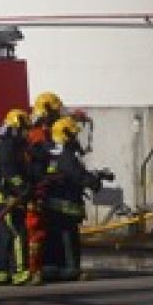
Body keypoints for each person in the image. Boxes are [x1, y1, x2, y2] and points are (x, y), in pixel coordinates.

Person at [43, 116, 102, 282]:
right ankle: (71, 269)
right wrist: (95, 182)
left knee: (54, 239)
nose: (76, 139)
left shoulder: (50, 151)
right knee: (68, 238)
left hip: (52, 206)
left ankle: (54, 269)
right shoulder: (67, 156)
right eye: (74, 135)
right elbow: (79, 176)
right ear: (66, 135)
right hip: (66, 207)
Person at [0, 109, 32, 286]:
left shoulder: (7, 144)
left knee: (3, 235)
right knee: (16, 233)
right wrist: (22, 188)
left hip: (3, 196)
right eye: (23, 129)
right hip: (4, 198)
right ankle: (20, 272)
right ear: (15, 128)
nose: (25, 133)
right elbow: (10, 172)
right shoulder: (7, 146)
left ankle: (0, 273)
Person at [25, 91, 65, 285]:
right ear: (47, 112)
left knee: (40, 231)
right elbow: (50, 155)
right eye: (56, 113)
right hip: (35, 190)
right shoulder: (38, 135)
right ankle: (34, 270)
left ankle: (40, 268)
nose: (58, 117)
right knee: (35, 231)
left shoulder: (39, 133)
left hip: (41, 188)